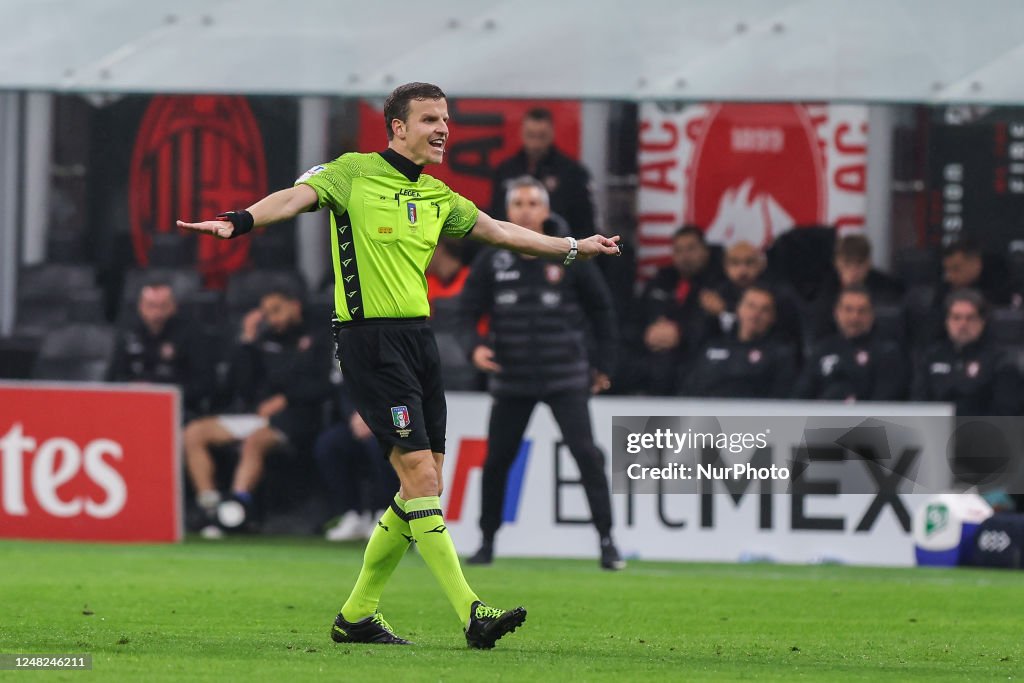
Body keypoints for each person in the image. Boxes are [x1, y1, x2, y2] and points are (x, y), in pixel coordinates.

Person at [177, 82, 622, 649]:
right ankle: (472, 613)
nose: (443, 129)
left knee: (424, 483)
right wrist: (239, 221)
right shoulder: (351, 173)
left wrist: (574, 247)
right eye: (430, 119)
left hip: (419, 340)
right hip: (369, 341)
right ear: (397, 127)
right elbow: (292, 199)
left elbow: (503, 232)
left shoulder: (438, 196)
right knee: (423, 478)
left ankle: (357, 615)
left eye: (446, 119)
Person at [458, 175, 622, 570]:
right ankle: (486, 540)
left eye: (534, 203)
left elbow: (602, 311)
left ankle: (607, 541)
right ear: (508, 210)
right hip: (512, 376)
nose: (526, 210)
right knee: (497, 460)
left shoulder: (571, 254)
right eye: (519, 204)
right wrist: (474, 348)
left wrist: (604, 366)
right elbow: (465, 313)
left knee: (586, 455)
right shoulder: (491, 256)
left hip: (565, 374)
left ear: (546, 210)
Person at [182, 285, 333, 538]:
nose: (272, 318)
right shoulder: (263, 341)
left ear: (294, 305)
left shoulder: (320, 337)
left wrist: (286, 398)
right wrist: (247, 341)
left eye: (277, 310)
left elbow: (326, 385)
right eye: (266, 313)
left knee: (255, 441)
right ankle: (211, 508)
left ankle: (235, 510)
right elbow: (238, 385)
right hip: (255, 415)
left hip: (295, 419)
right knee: (194, 433)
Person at [621, 225, 724, 395]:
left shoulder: (718, 284)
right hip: (651, 353)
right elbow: (634, 317)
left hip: (691, 355)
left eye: (691, 249)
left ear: (705, 251)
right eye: (679, 250)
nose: (685, 256)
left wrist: (680, 333)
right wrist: (646, 333)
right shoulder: (660, 281)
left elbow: (713, 327)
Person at [106, 280, 210, 419]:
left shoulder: (190, 333)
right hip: (132, 406)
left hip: (177, 410)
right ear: (141, 307)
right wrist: (130, 389)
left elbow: (204, 383)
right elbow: (112, 377)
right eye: (151, 306)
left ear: (173, 307)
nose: (157, 313)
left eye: (163, 306)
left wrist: (163, 392)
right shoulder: (128, 332)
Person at [911, 288, 1019, 416]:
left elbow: (1006, 412)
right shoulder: (932, 356)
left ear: (982, 322)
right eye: (956, 318)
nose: (962, 324)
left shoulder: (1000, 361)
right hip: (937, 431)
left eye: (970, 318)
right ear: (946, 322)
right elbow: (918, 403)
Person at [316, 378, 400, 541]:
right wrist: (354, 415)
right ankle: (352, 513)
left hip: (397, 421)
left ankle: (387, 513)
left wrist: (377, 418)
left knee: (380, 446)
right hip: (360, 419)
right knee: (330, 444)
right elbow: (346, 387)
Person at [489, 107, 596, 233]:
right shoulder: (505, 170)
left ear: (552, 134)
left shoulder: (572, 172)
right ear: (522, 133)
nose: (535, 143)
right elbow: (496, 216)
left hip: (559, 244)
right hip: (510, 243)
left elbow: (584, 222)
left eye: (541, 136)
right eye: (531, 135)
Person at [794, 285, 909, 401]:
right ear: (836, 312)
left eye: (862, 311)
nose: (854, 317)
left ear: (872, 314)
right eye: (848, 310)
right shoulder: (822, 350)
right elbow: (801, 396)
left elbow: (885, 401)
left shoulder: (887, 353)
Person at [680, 285, 797, 399]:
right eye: (751, 306)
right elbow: (689, 388)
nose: (755, 314)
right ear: (738, 309)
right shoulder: (713, 346)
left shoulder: (780, 353)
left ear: (773, 317)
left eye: (764, 310)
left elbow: (782, 398)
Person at [699, 241, 802, 345]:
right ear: (725, 267)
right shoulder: (718, 293)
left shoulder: (778, 294)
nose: (742, 270)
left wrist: (724, 312)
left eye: (749, 262)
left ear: (761, 264)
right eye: (735, 263)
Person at [807, 234, 904, 342]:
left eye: (859, 264)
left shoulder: (888, 289)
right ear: (837, 263)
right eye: (847, 264)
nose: (853, 272)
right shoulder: (824, 292)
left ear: (868, 263)